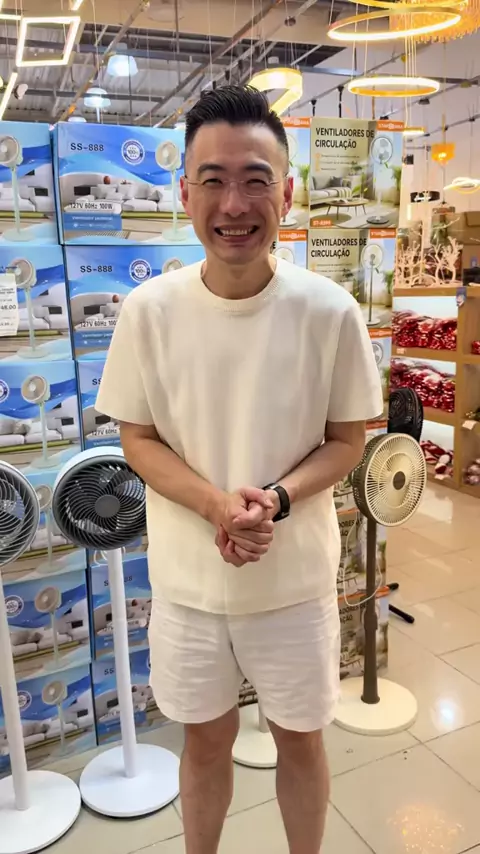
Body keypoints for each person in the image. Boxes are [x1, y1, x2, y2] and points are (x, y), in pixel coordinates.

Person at [96, 85, 383, 854]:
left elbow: (347, 440)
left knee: (301, 741)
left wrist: (277, 499)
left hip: (294, 585)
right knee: (204, 742)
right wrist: (215, 506)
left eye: (256, 180)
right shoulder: (149, 311)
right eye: (214, 180)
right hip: (189, 586)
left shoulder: (329, 311)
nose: (234, 204)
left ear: (286, 194)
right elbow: (138, 438)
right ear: (184, 193)